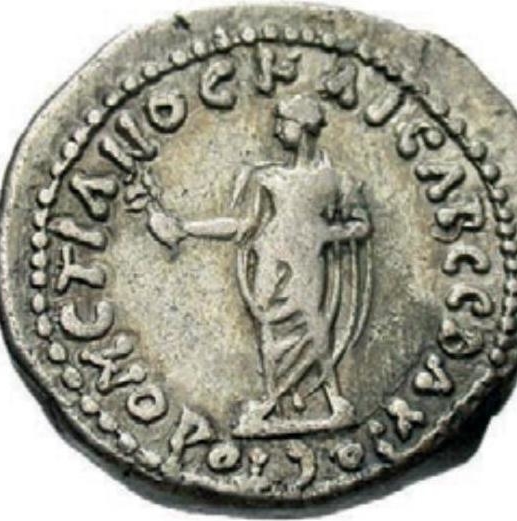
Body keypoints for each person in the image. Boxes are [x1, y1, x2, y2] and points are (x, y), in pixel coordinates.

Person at [140, 94, 372, 436]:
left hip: (306, 262)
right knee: (269, 329)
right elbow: (244, 226)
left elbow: (362, 226)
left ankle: (335, 402)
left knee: (313, 326)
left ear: (304, 127)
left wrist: (324, 234)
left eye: (284, 123)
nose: (276, 131)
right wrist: (185, 228)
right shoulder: (267, 179)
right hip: (268, 260)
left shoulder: (338, 180)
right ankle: (271, 401)